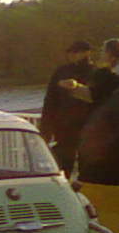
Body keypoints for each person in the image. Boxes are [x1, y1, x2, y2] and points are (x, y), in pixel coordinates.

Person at [63, 39, 119, 186]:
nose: (101, 55)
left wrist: (74, 88)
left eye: (103, 51)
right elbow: (97, 94)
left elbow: (97, 95)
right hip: (116, 138)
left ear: (110, 53)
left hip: (114, 139)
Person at [39, 40, 94, 174]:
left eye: (75, 52)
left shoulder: (97, 72)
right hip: (64, 127)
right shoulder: (61, 72)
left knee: (88, 166)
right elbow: (50, 101)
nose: (71, 55)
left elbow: (99, 98)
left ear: (87, 53)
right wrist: (46, 129)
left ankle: (84, 190)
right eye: (70, 52)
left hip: (87, 128)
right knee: (63, 166)